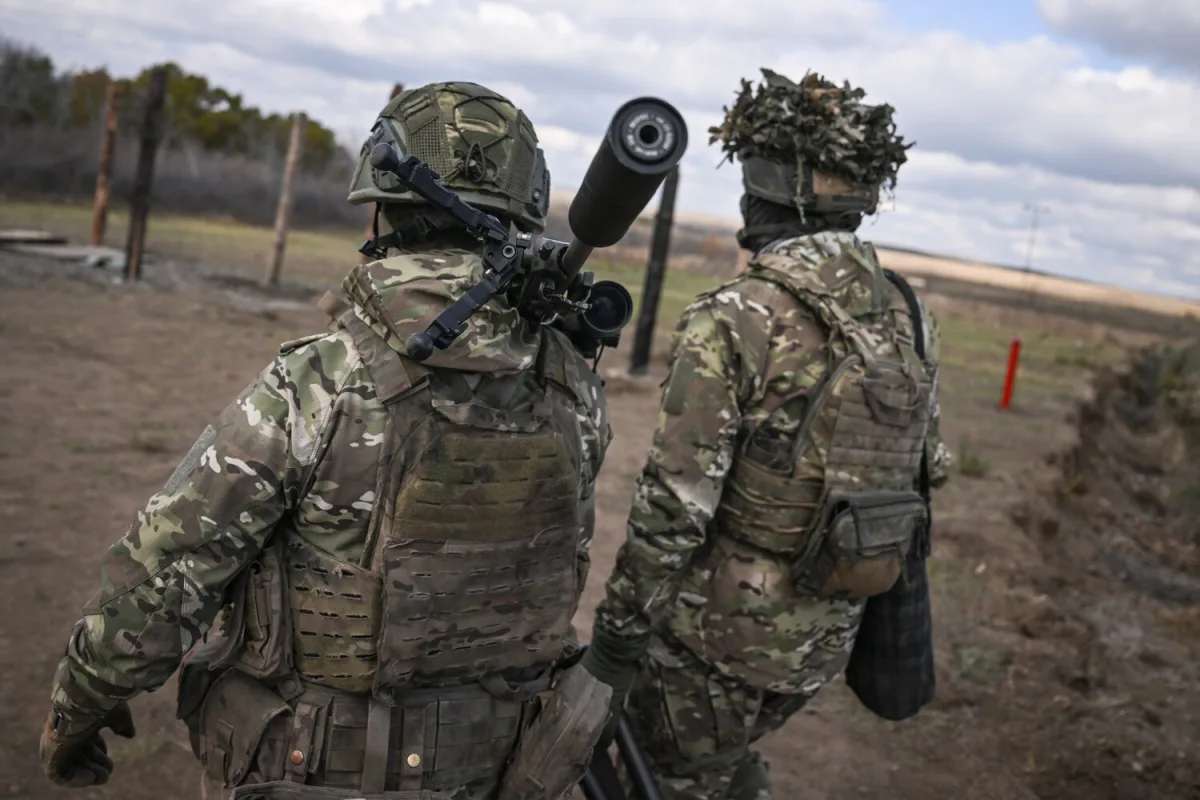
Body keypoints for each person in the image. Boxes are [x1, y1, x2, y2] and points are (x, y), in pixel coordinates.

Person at [39, 81, 615, 800]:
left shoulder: (321, 379)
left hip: (320, 768)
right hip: (500, 766)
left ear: (384, 204)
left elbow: (170, 575)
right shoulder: (575, 387)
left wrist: (78, 703)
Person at [581, 68, 952, 799]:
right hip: (825, 642)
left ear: (765, 192)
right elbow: (927, 468)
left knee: (655, 778)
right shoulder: (909, 313)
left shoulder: (736, 316)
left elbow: (673, 510)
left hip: (715, 646)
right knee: (721, 765)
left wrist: (615, 644)